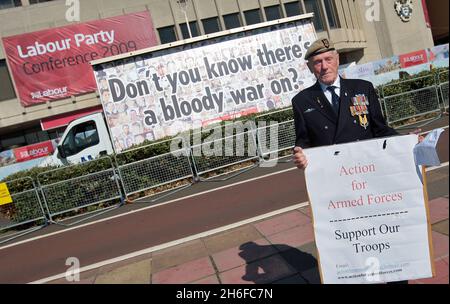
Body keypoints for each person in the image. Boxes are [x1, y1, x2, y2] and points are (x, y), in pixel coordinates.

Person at [292, 38, 408, 284]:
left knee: (384, 232)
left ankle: (397, 277)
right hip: (338, 188)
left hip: (371, 181)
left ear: (337, 60)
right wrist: (301, 155)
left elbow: (379, 129)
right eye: (317, 62)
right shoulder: (302, 101)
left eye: (328, 59)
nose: (324, 66)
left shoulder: (362, 88)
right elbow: (304, 142)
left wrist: (406, 142)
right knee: (353, 240)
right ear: (310, 67)